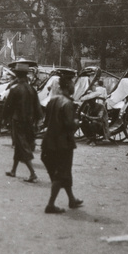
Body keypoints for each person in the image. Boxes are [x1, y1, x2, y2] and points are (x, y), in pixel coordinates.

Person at [41, 75, 83, 214]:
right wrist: (78, 123)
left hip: (48, 142)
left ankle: (71, 199)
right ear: (67, 86)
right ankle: (50, 205)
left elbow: (46, 121)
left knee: (63, 172)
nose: (73, 87)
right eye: (72, 84)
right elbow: (70, 125)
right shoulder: (68, 103)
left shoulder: (52, 100)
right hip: (62, 144)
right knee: (61, 173)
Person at [3, 61, 42, 183]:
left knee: (22, 146)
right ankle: (13, 170)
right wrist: (37, 121)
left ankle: (32, 173)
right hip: (29, 122)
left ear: (17, 76)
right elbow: (37, 108)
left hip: (18, 120)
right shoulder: (32, 90)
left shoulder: (15, 89)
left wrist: (4, 119)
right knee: (19, 146)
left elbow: (7, 107)